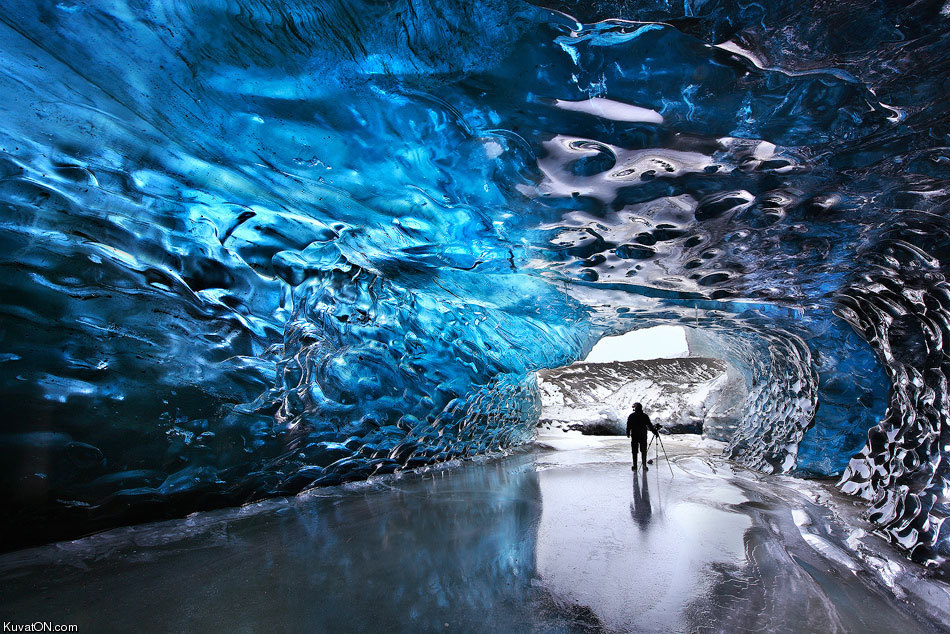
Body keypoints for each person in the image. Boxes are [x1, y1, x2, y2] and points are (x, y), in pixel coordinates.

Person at [626, 402, 659, 471]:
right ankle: (644, 465)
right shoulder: (645, 416)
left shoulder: (631, 416)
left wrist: (628, 433)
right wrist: (655, 432)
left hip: (634, 436)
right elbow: (650, 426)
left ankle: (635, 466)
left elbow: (628, 426)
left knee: (634, 451)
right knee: (643, 451)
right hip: (643, 435)